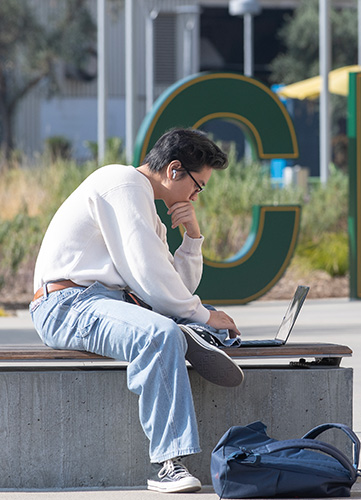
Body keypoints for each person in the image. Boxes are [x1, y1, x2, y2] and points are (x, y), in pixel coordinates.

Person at [30, 128, 243, 493]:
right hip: (67, 304)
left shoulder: (146, 207)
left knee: (183, 315)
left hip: (103, 302)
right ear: (174, 169)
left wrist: (192, 236)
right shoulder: (123, 183)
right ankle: (169, 464)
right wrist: (201, 315)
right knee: (160, 333)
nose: (197, 194)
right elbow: (150, 276)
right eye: (198, 185)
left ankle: (189, 331)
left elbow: (174, 285)